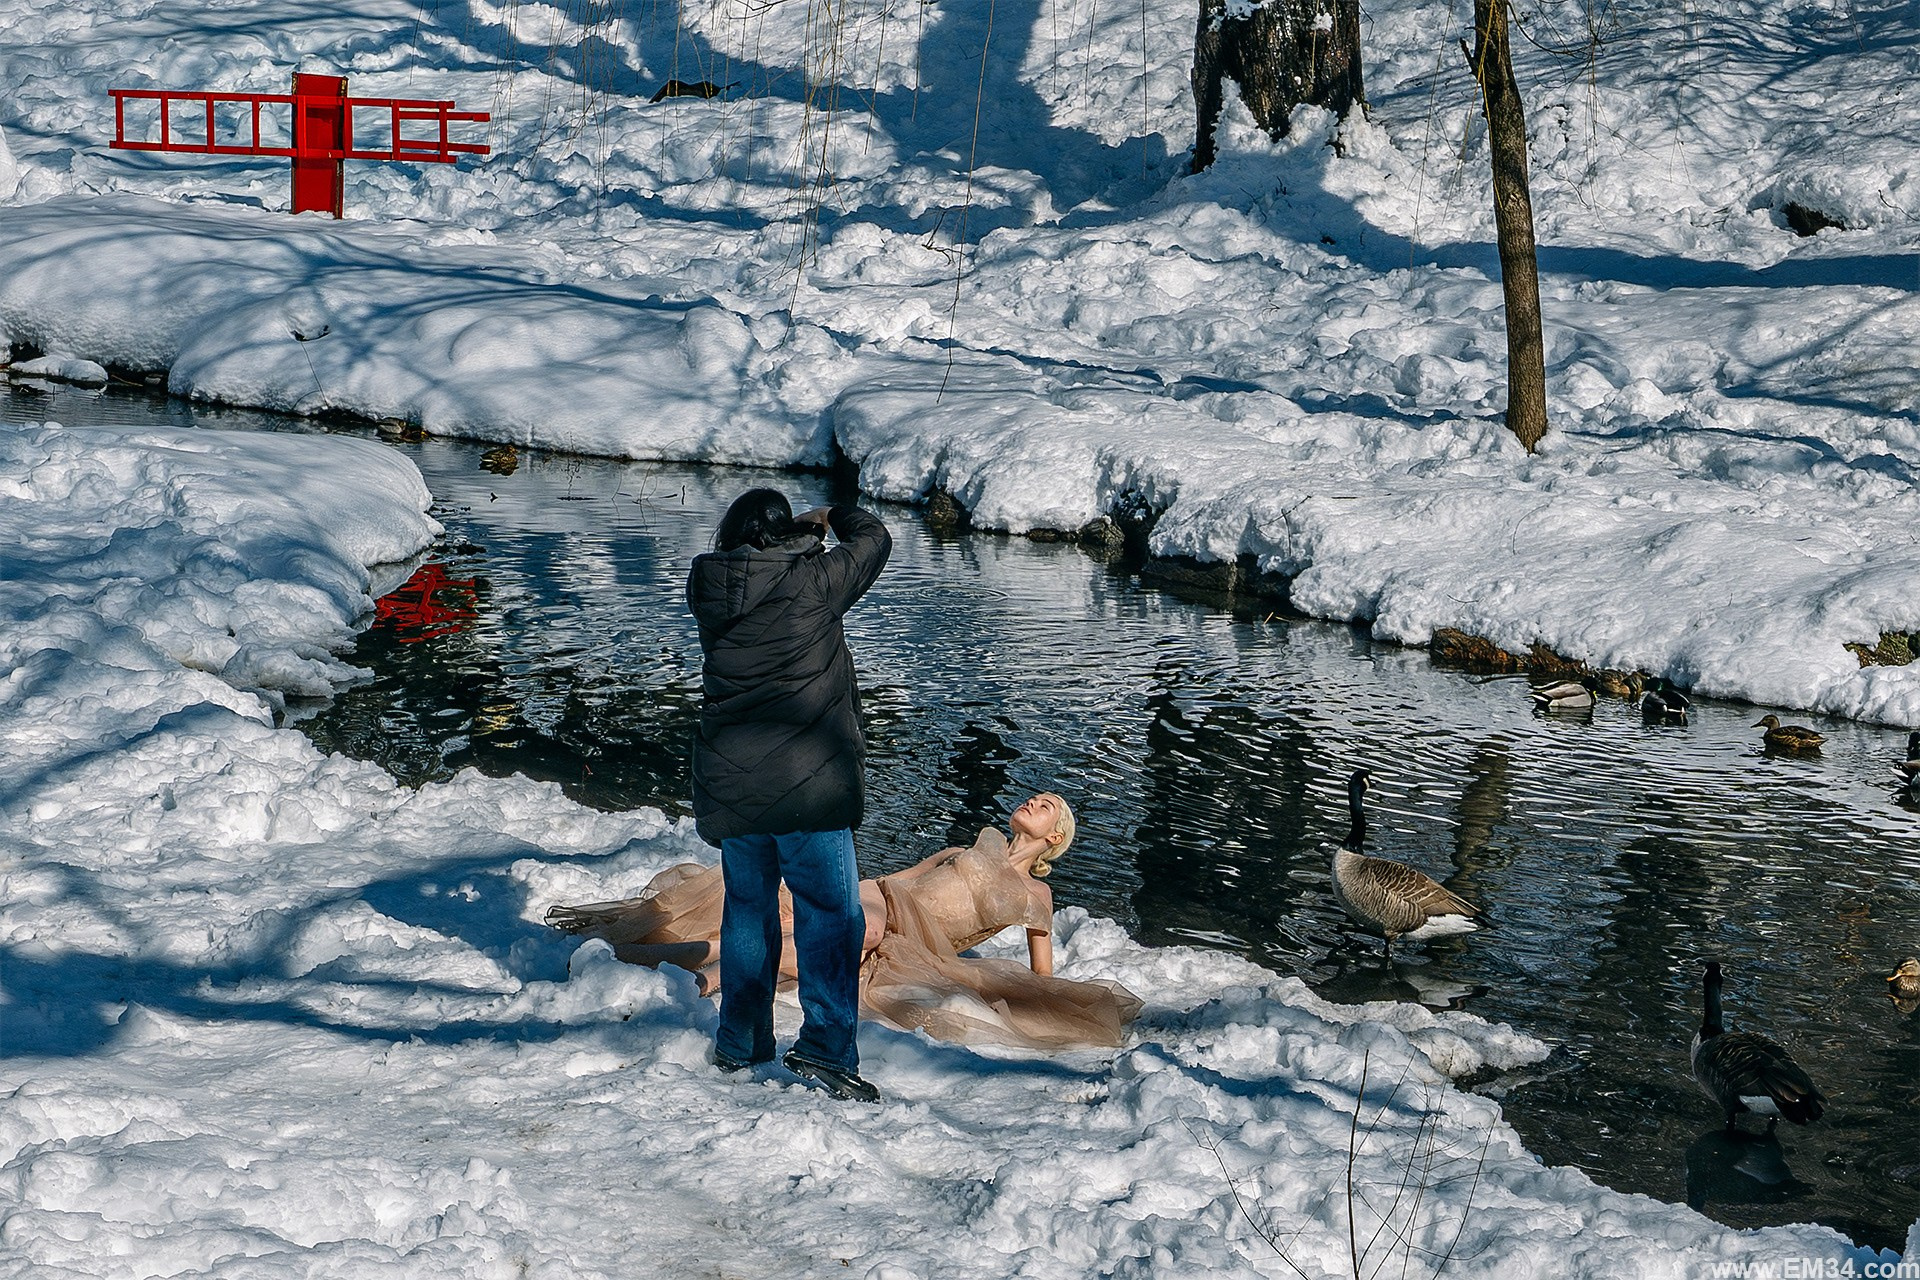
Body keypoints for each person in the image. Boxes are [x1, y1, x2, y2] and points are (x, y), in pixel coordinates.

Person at [545, 793, 1144, 1052]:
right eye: (1034, 799)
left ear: (1055, 838)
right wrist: (837, 890)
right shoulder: (972, 846)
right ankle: (662, 962)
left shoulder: (1037, 895)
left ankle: (674, 968)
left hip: (911, 937)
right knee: (851, 928)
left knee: (813, 950)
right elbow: (903, 878)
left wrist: (1053, 1003)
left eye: (1046, 808)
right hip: (885, 902)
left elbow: (1042, 975)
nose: (1033, 803)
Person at [684, 488, 891, 1101]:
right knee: (830, 916)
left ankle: (741, 1040)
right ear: (785, 536)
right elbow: (874, 538)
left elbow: (757, 564)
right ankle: (826, 1050)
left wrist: (791, 538)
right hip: (808, 784)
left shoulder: (708, 587)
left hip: (734, 784)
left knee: (748, 910)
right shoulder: (812, 583)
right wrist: (827, 517)